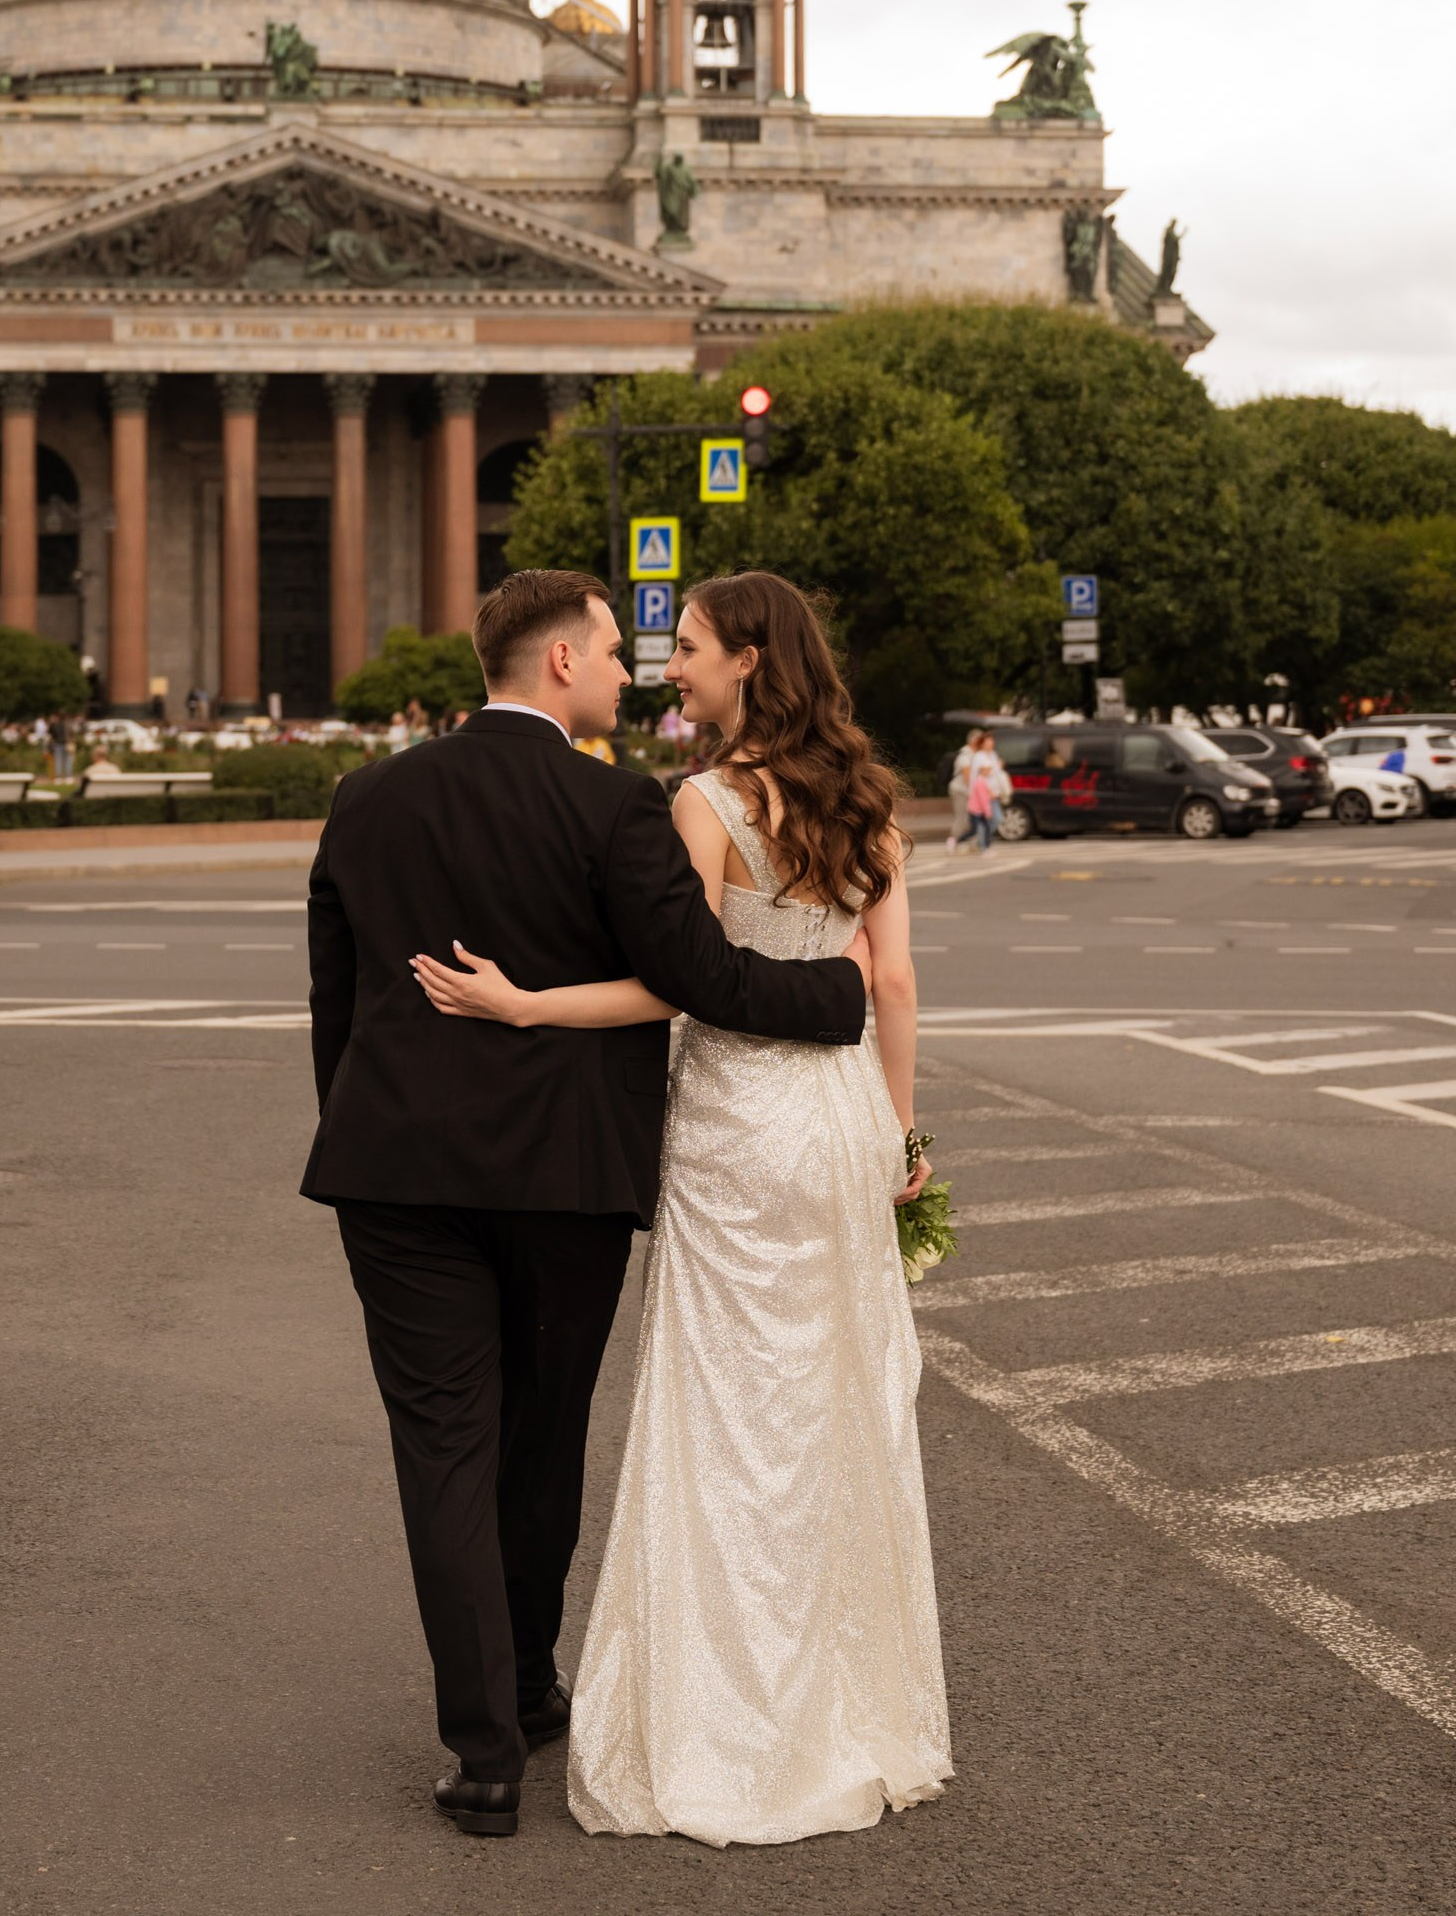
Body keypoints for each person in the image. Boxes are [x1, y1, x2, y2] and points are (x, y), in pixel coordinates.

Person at [304, 569, 873, 1841]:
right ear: (559, 660)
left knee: (441, 1445)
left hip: (392, 1173)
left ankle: (482, 1749)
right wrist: (836, 997)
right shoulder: (612, 804)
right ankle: (525, 1680)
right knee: (541, 1434)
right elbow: (699, 974)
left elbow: (334, 997)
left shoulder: (367, 795)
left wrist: (360, 1128)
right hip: (563, 1178)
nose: (630, 669)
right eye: (614, 649)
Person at [944, 732, 974, 852]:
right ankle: (952, 841)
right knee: (961, 818)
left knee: (968, 818)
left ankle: (971, 843)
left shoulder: (973, 754)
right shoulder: (965, 755)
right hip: (961, 791)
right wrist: (972, 792)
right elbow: (967, 775)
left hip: (964, 791)